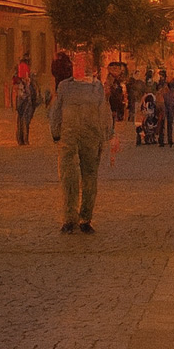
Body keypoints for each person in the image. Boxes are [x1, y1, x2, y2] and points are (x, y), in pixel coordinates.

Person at [49, 54, 113, 233]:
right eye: (76, 64)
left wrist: (107, 134)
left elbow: (104, 110)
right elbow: (56, 111)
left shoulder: (96, 87)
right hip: (68, 138)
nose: (77, 67)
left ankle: (85, 218)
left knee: (89, 177)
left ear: (89, 68)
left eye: (81, 65)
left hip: (91, 137)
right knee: (69, 178)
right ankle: (69, 218)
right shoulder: (64, 87)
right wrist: (55, 133)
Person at [13, 62, 37, 146]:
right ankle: (23, 139)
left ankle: (22, 139)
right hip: (24, 102)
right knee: (24, 121)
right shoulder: (22, 83)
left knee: (22, 121)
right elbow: (25, 94)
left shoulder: (24, 82)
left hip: (24, 102)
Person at [158, 67, 174, 147]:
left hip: (164, 106)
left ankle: (162, 140)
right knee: (169, 123)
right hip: (168, 106)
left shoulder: (163, 87)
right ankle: (169, 140)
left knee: (162, 123)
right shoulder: (172, 90)